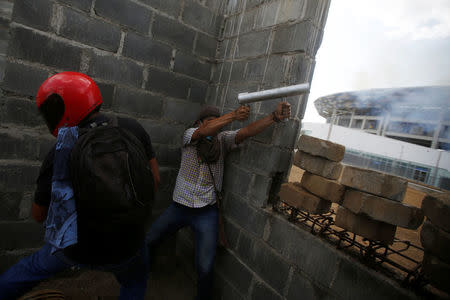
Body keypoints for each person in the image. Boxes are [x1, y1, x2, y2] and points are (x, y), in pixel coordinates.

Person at [0, 72, 160, 300]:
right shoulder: (132, 128)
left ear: (64, 108)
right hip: (127, 245)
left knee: (27, 271)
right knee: (136, 281)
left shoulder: (60, 150)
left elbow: (38, 214)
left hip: (74, 249)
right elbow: (154, 181)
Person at [145, 101, 291, 299]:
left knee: (205, 266)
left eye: (217, 122)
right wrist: (232, 116)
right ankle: (144, 273)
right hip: (180, 206)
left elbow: (246, 131)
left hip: (206, 212)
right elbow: (203, 131)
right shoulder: (189, 135)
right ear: (199, 123)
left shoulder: (222, 140)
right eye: (209, 122)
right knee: (150, 239)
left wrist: (273, 117)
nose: (215, 126)